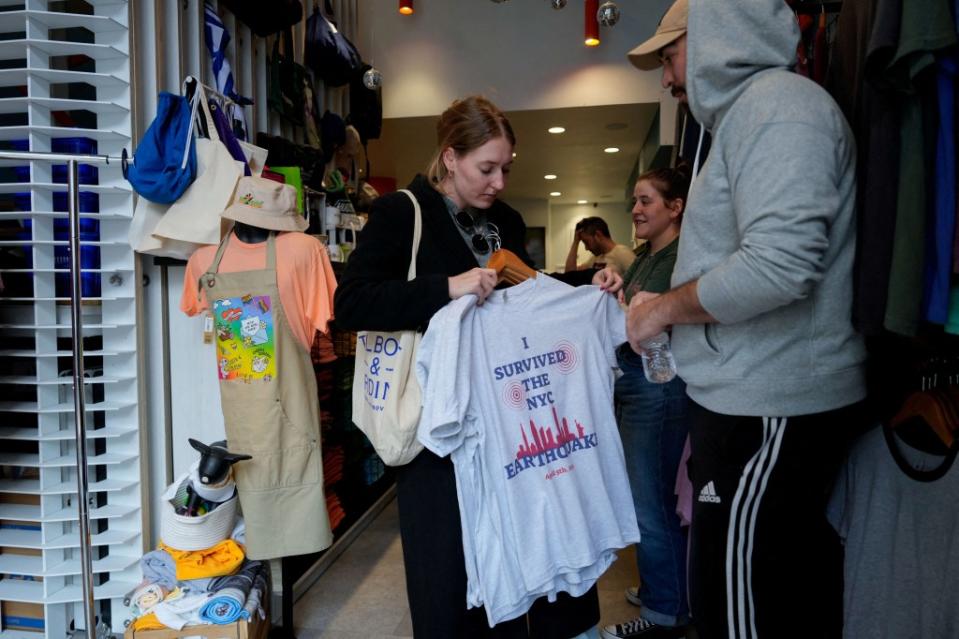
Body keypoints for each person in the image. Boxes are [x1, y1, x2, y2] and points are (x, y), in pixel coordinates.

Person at [334, 95, 620, 639]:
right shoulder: (403, 213)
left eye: (506, 168)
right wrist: (446, 288)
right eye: (486, 168)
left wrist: (592, 286)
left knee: (519, 555)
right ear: (449, 158)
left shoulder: (506, 221)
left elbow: (528, 297)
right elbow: (351, 304)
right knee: (448, 577)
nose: (499, 182)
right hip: (436, 429)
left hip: (506, 423)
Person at [624, 1, 867, 638]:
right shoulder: (749, 117)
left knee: (739, 610)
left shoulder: (779, 108)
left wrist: (663, 311)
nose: (670, 77)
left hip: (771, 404)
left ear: (712, 39)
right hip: (752, 400)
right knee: (753, 595)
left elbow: (781, 267)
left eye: (672, 55)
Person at [601, 165, 691, 639]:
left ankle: (663, 614)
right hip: (640, 385)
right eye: (634, 201)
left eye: (646, 201)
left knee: (651, 505)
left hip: (657, 386)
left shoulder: (680, 257)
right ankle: (666, 588)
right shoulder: (644, 256)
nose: (635, 210)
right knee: (647, 500)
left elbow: (655, 329)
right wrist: (619, 290)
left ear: (675, 207)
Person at [565, 216, 636, 275]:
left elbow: (639, 283)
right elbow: (570, 275)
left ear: (598, 235)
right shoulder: (595, 258)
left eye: (586, 242)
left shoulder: (623, 253)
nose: (586, 248)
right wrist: (575, 242)